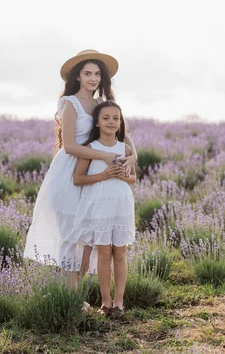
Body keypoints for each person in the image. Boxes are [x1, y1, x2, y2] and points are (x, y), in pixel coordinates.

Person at [23, 49, 137, 289]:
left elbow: (123, 133)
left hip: (95, 171)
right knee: (71, 234)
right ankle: (69, 295)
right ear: (77, 76)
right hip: (69, 172)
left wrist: (133, 156)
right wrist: (105, 155)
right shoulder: (70, 104)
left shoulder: (99, 104)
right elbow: (72, 146)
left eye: (97, 73)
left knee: (88, 236)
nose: (93, 78)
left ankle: (73, 293)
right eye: (87, 73)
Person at [64, 100, 137, 317]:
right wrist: (103, 176)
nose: (111, 122)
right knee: (104, 252)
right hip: (99, 204)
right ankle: (106, 302)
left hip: (121, 203)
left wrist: (126, 176)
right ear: (96, 122)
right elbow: (78, 178)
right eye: (106, 118)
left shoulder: (124, 148)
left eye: (116, 118)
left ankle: (119, 302)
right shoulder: (90, 148)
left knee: (120, 252)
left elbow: (133, 179)